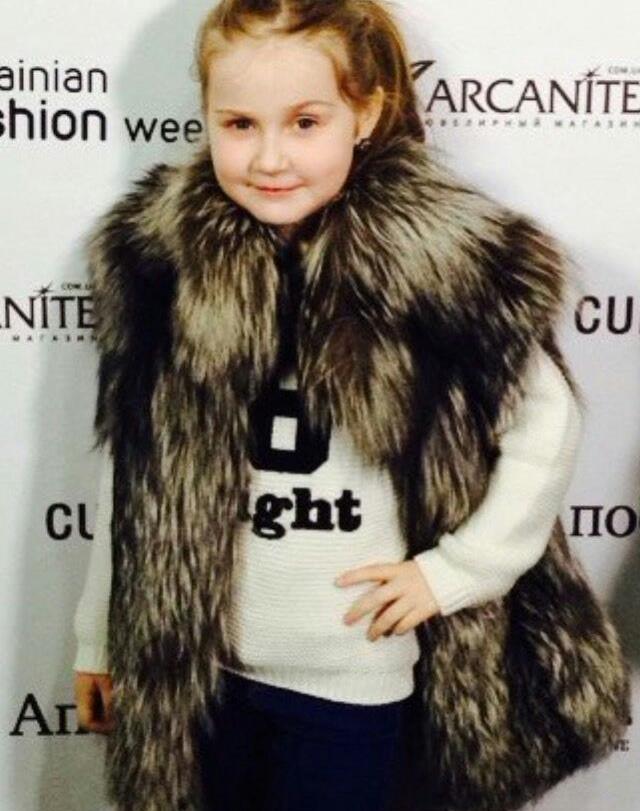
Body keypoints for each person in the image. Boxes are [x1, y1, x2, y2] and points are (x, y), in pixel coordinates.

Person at [72, 3, 628, 811]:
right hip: (200, 675)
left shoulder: (438, 265)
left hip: (350, 679)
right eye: (239, 123)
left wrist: (460, 571)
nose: (270, 157)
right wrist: (100, 633)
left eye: (305, 122)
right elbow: (133, 469)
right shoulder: (163, 266)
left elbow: (546, 426)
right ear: (206, 116)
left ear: (363, 113)